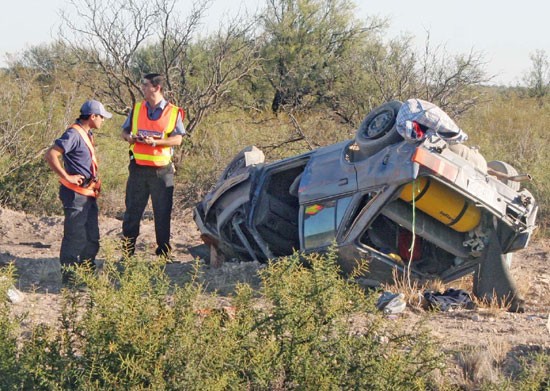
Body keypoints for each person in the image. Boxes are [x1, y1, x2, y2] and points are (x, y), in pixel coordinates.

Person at [45, 100, 112, 283]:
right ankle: (70, 278)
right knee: (75, 235)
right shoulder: (73, 133)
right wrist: (66, 176)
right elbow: (51, 154)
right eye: (101, 117)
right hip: (76, 194)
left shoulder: (86, 133)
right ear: (92, 116)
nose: (103, 121)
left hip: (87, 194)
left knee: (92, 236)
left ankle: (86, 272)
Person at [120, 73, 185, 258]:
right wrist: (129, 137)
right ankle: (127, 253)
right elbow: (124, 131)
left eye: (145, 85)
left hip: (161, 171)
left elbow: (178, 139)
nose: (142, 88)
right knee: (132, 211)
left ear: (156, 88)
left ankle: (164, 254)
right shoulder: (137, 108)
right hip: (138, 169)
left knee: (162, 213)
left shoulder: (173, 112)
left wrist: (157, 142)